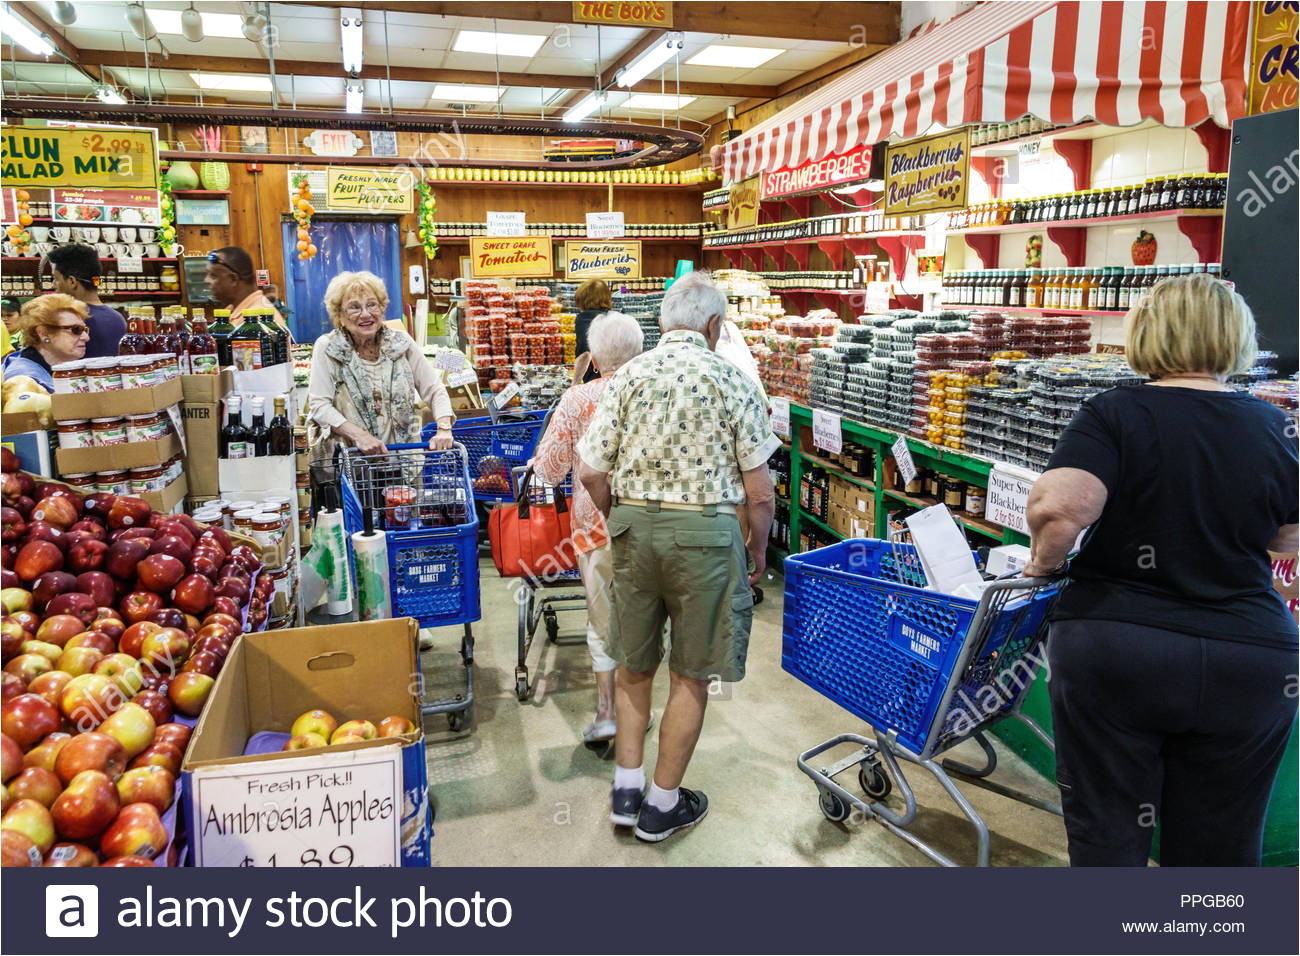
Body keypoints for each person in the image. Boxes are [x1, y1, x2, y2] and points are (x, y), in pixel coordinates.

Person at [1025, 274, 1298, 867]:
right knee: (1221, 849)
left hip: (1118, 650)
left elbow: (1060, 506)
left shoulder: (1115, 412)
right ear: (1236, 339)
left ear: (1146, 334)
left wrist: (1042, 568)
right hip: (1250, 660)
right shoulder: (1276, 426)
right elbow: (1287, 537)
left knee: (1110, 832)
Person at [577, 270, 778, 842]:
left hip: (635, 532)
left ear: (662, 322)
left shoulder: (627, 375)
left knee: (635, 666)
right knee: (691, 674)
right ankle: (662, 807)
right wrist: (756, 547)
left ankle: (625, 791)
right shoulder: (732, 379)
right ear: (715, 325)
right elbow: (759, 491)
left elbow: (592, 469)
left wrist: (621, 514)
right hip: (707, 538)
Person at [532, 312, 644, 742]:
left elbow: (548, 469)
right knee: (643, 619)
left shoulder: (576, 401)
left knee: (602, 623)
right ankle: (637, 711)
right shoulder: (652, 392)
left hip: (594, 526)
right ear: (640, 353)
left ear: (594, 358)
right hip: (649, 524)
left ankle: (606, 713)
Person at [306, 270, 454, 459]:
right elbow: (319, 405)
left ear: (382, 309)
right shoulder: (328, 348)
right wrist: (360, 437)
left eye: (372, 305)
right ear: (339, 315)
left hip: (405, 463)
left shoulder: (401, 343)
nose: (366, 314)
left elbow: (435, 389)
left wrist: (444, 428)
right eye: (354, 307)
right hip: (353, 464)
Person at [46, 244, 126, 358]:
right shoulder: (118, 318)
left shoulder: (72, 319)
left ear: (72, 282)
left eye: (56, 279)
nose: (53, 285)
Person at [1, 294, 90, 391]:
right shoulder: (24, 383)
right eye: (76, 330)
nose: (86, 337)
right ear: (44, 333)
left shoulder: (66, 369)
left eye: (85, 330)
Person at [203, 246, 289, 335]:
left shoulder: (256, 320)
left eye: (213, 276)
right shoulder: (232, 311)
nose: (206, 280)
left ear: (233, 279)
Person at [573, 279, 613, 384]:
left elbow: (585, 354)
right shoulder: (613, 317)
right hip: (614, 377)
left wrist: (574, 384)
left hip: (595, 378)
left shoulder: (584, 318)